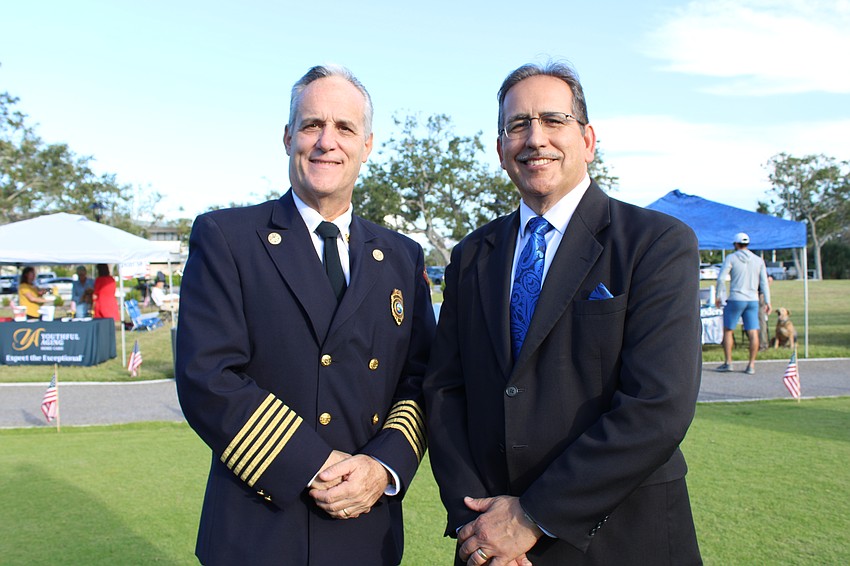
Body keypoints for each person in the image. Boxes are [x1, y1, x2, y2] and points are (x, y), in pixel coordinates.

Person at [423, 62, 703, 565]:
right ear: (500, 148)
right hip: (492, 546)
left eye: (553, 120)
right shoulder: (469, 257)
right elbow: (445, 392)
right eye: (517, 125)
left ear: (588, 139)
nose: (535, 139)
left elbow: (658, 405)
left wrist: (530, 516)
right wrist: (477, 523)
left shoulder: (656, 244)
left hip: (620, 540)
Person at [175, 64, 436, 566]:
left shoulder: (402, 255)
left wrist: (382, 466)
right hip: (258, 532)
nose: (326, 142)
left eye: (344, 128)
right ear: (288, 135)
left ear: (368, 144)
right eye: (313, 125)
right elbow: (207, 375)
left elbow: (419, 379)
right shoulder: (228, 238)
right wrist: (312, 463)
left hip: (365, 530)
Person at [714, 232, 771, 374]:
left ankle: (728, 362)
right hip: (753, 299)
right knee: (753, 332)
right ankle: (751, 365)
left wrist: (719, 295)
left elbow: (721, 278)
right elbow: (764, 283)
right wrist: (768, 301)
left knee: (728, 330)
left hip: (736, 298)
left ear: (736, 244)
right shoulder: (758, 260)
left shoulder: (731, 258)